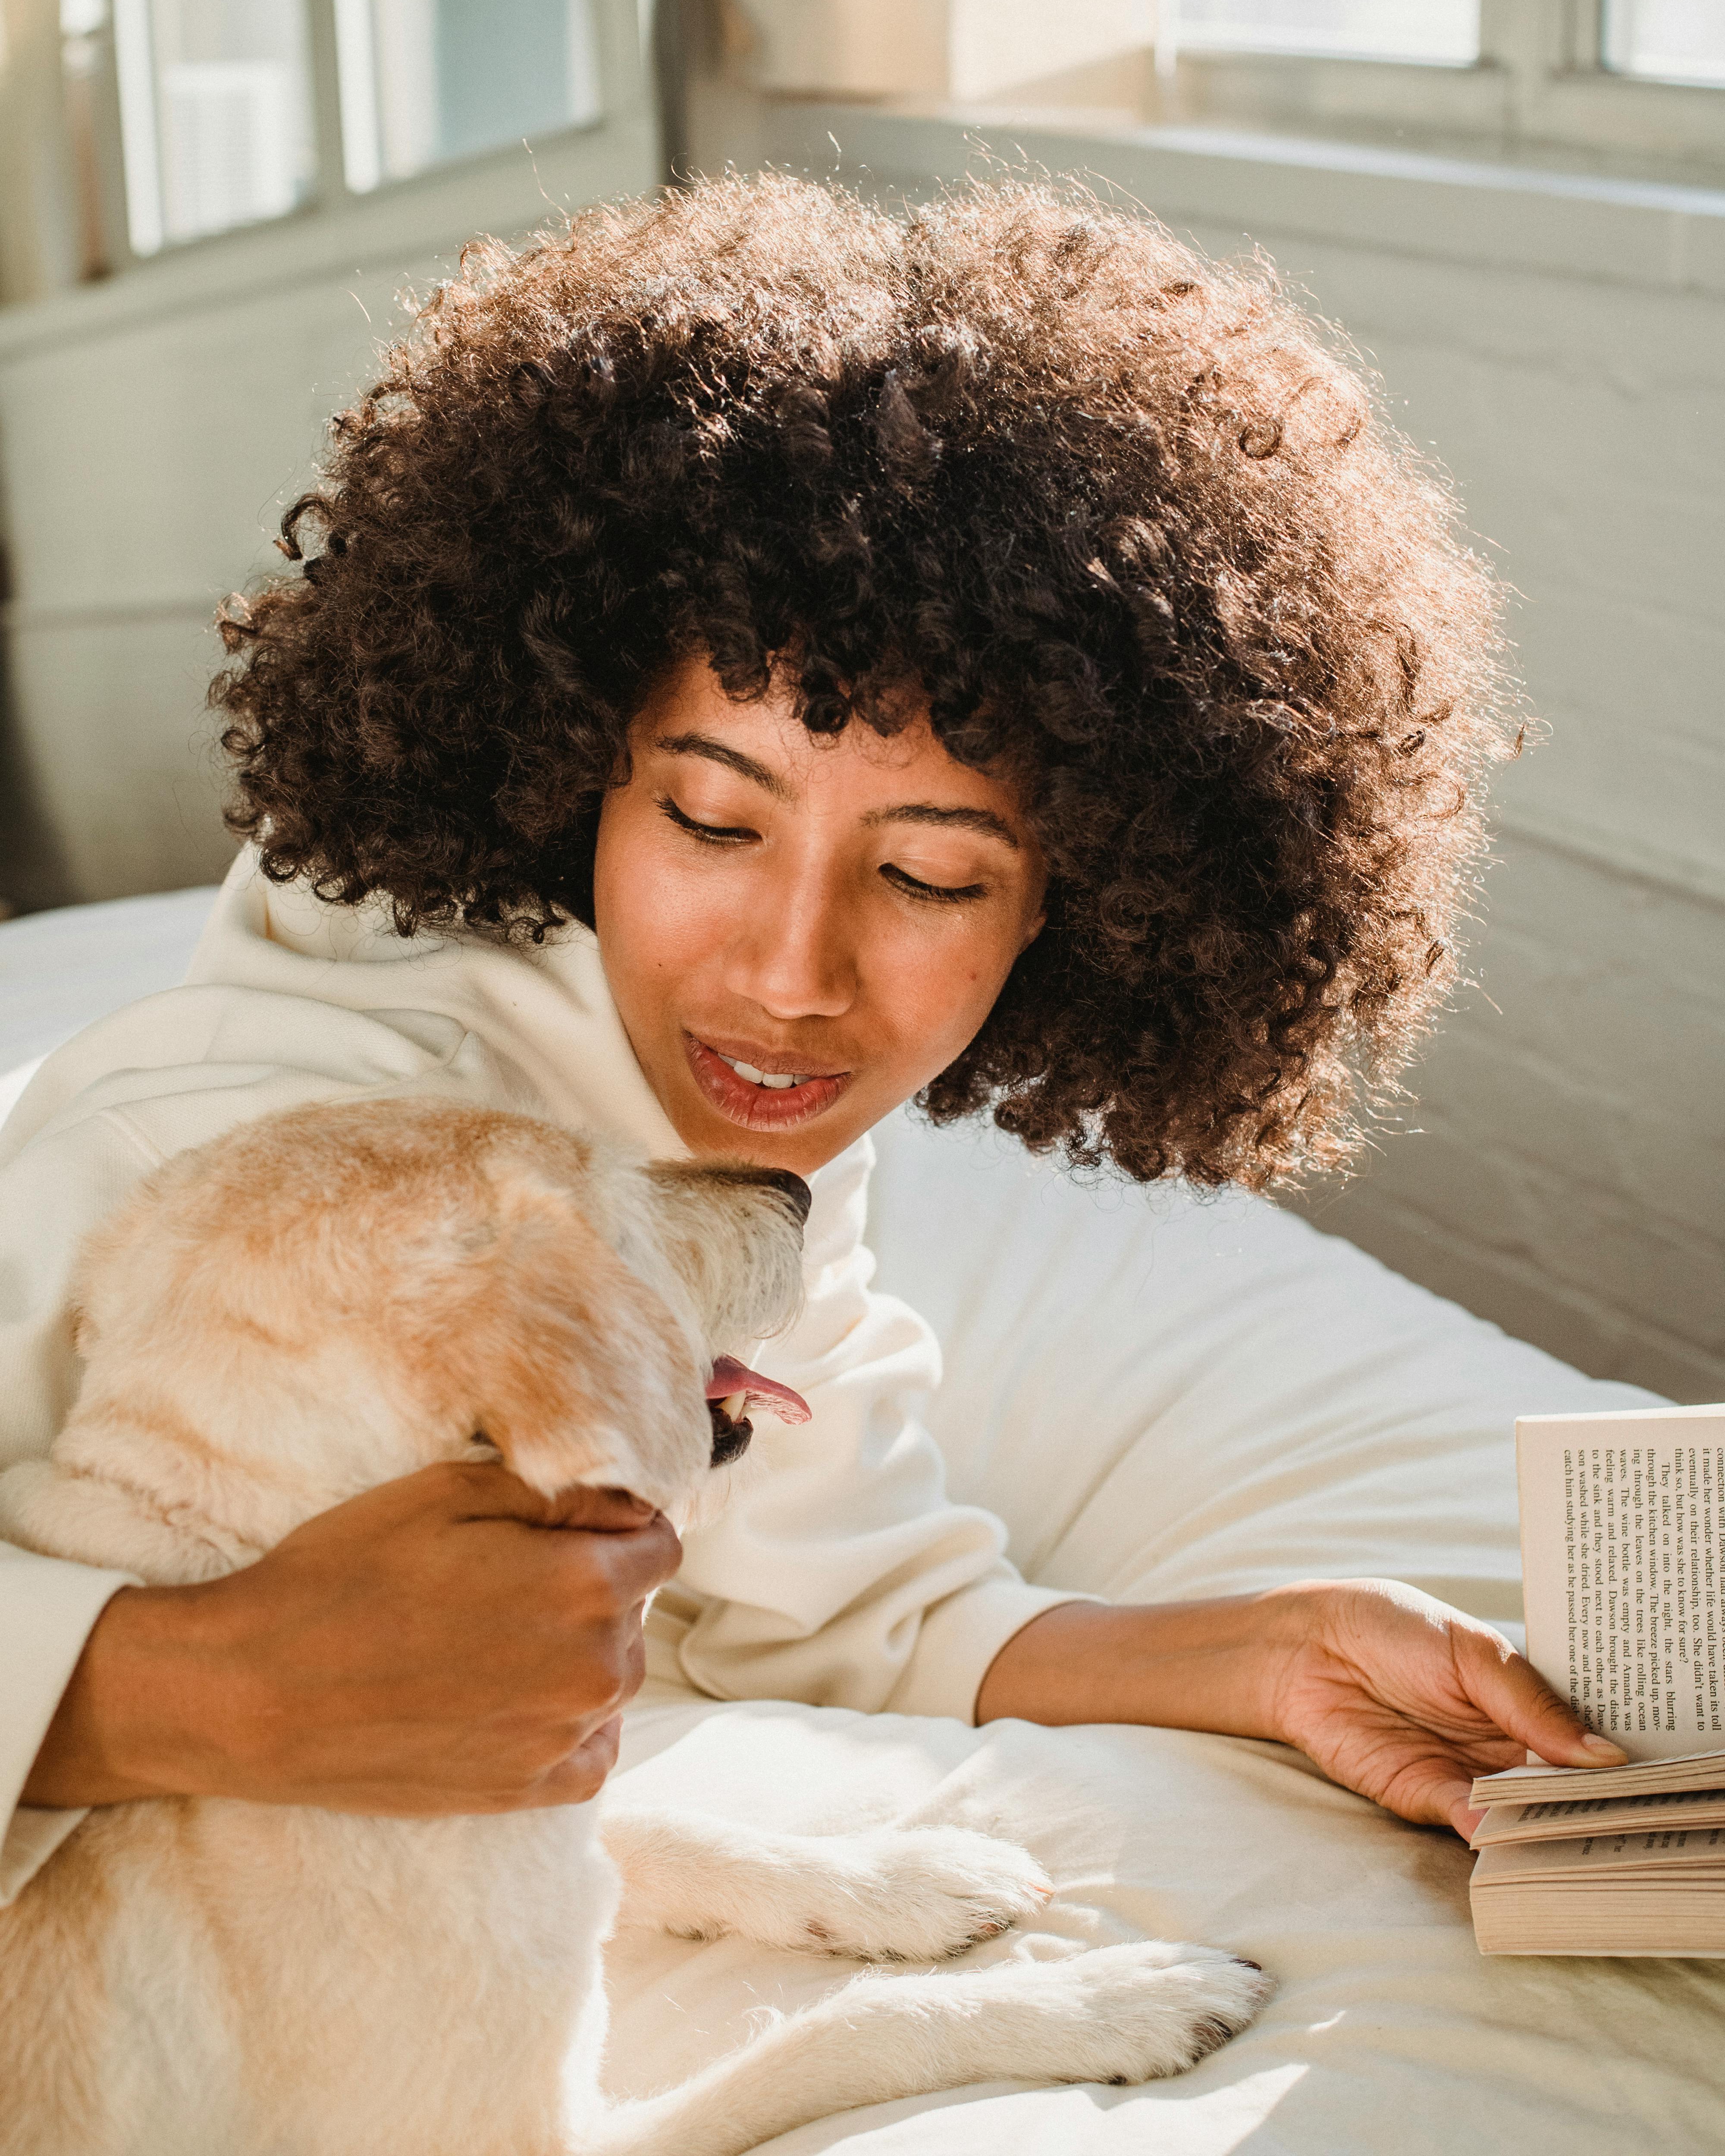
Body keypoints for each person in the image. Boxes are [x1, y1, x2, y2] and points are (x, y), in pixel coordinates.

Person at [0, 176, 1622, 1910]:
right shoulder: (210, 1143)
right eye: (711, 822)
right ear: (575, 783)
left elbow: (845, 1607)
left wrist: (1276, 1656)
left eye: (927, 874)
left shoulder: (724, 1132)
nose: (791, 975)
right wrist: (206, 1697)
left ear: (1082, 903)